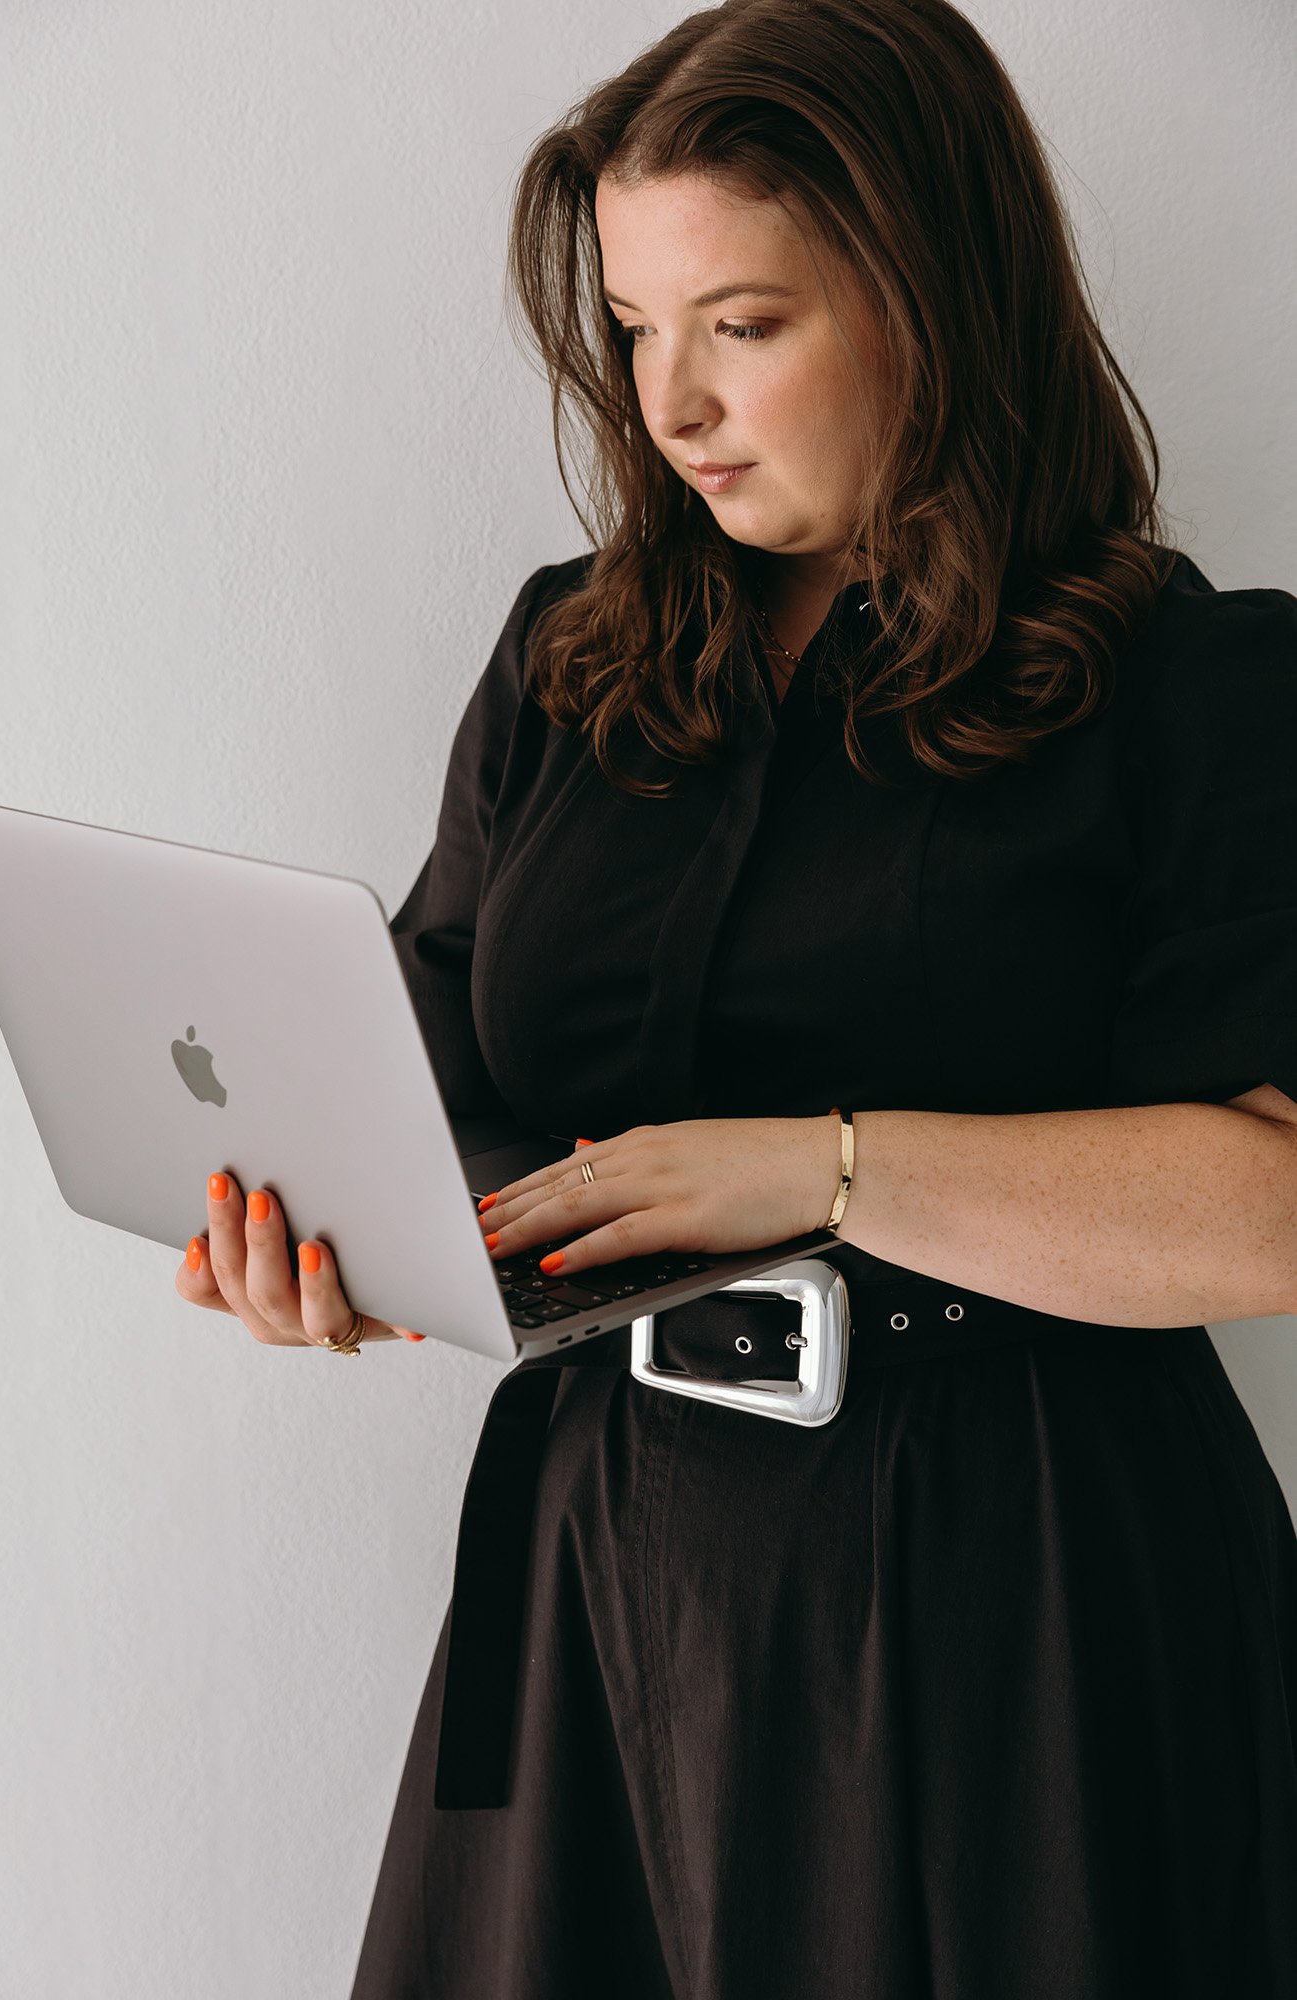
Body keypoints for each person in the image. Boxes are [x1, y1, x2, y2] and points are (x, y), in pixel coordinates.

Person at [180, 1, 1297, 1993]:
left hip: (1015, 1598)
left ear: (928, 303)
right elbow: (434, 1086)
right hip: (605, 1582)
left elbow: (1266, 1205)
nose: (670, 400)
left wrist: (829, 1167)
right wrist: (347, 1238)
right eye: (631, 324)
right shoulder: (568, 660)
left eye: (744, 324)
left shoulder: (1193, 689)